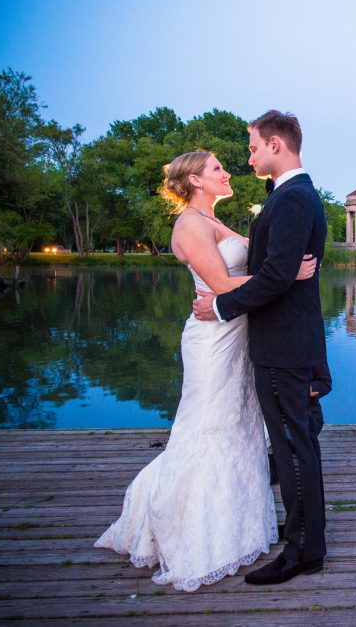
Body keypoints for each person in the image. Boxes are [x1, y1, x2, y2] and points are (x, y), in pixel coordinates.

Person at [94, 150, 317, 591]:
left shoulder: (215, 221)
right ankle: (188, 530)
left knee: (237, 428)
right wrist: (287, 275)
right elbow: (219, 285)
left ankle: (236, 527)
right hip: (212, 341)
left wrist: (279, 270)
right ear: (195, 180)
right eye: (217, 168)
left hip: (237, 338)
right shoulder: (189, 225)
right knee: (207, 427)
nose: (227, 172)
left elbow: (250, 270)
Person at [193, 110, 329, 586]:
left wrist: (223, 306)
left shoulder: (293, 199)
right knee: (294, 443)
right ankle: (304, 538)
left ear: (275, 145)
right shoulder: (288, 195)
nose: (248, 157)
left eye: (252, 148)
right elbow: (280, 272)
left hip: (282, 344)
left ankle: (304, 549)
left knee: (293, 447)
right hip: (289, 342)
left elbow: (275, 278)